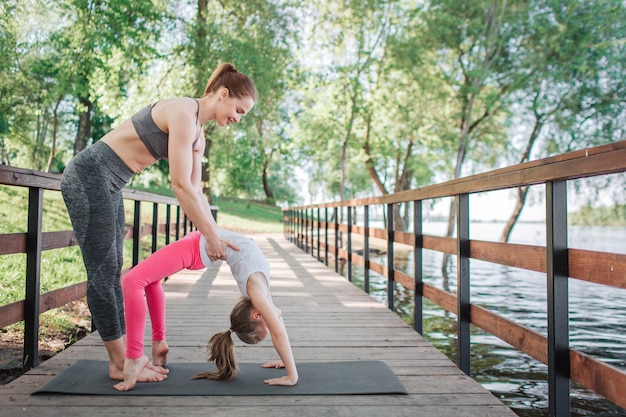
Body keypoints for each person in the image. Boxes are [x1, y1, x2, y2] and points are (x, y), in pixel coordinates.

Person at [60, 63, 257, 383]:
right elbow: (179, 185)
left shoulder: (198, 136)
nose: (237, 118)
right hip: (88, 175)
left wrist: (215, 235)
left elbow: (196, 192)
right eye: (239, 110)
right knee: (103, 269)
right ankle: (120, 362)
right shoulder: (182, 111)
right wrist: (210, 236)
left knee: (114, 267)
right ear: (223, 94)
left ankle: (127, 358)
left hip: (112, 184)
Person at [112, 229, 298, 391]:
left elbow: (277, 327)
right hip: (199, 244)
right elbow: (278, 329)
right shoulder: (258, 293)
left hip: (197, 246)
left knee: (132, 281)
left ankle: (135, 357)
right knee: (148, 280)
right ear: (256, 314)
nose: (272, 318)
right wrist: (290, 371)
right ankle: (157, 342)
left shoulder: (258, 293)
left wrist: (288, 366)